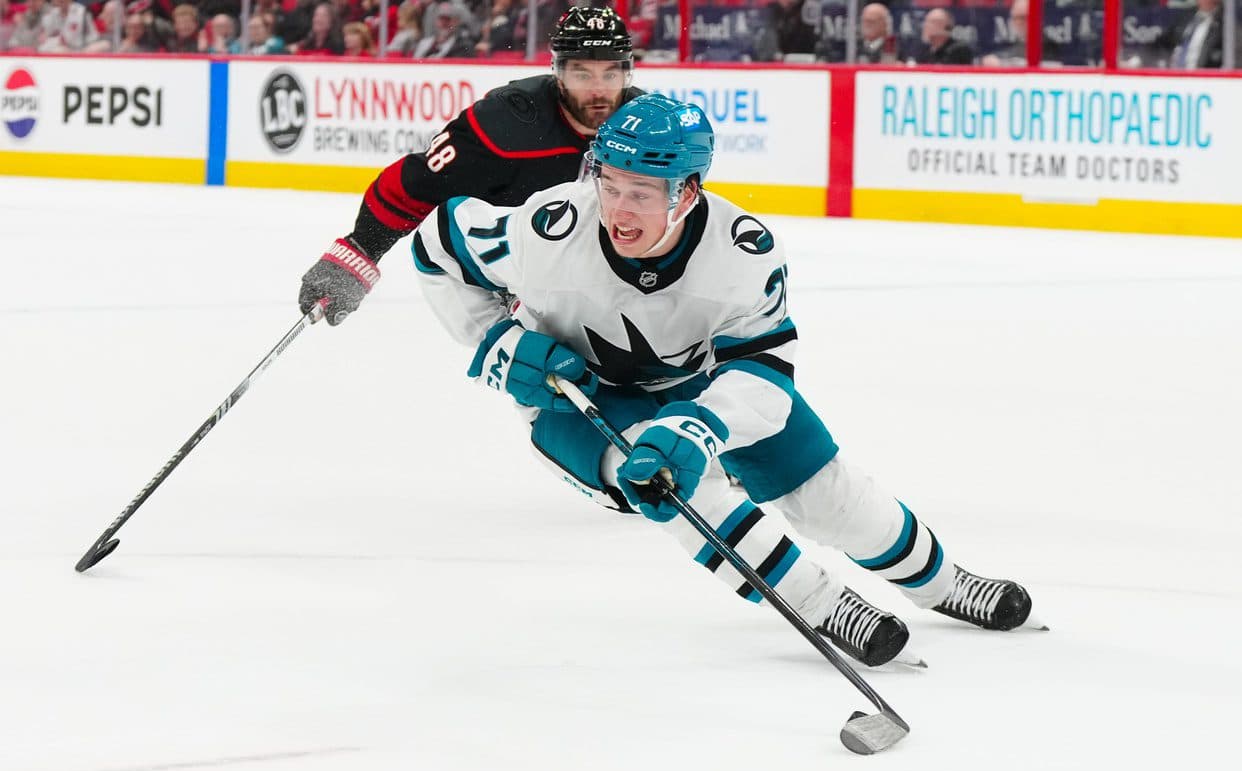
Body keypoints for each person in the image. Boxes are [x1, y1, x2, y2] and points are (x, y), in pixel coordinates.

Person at [399, 94, 1039, 668]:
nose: (618, 210)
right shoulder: (549, 229)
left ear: (688, 190)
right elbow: (437, 245)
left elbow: (762, 374)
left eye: (642, 194)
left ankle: (946, 583)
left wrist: (701, 424)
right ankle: (823, 604)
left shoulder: (742, 254)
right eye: (610, 184)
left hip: (703, 385)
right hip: (576, 399)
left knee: (827, 495)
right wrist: (495, 341)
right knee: (666, 478)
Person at [296, 6, 641, 326]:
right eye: (583, 75)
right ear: (559, 73)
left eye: (611, 76)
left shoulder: (647, 124)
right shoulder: (507, 124)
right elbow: (415, 184)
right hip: (515, 274)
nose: (599, 91)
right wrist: (360, 250)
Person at [909, 7, 973, 65]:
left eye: (931, 22)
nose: (925, 26)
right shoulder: (925, 51)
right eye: (925, 22)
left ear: (945, 26)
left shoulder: (959, 50)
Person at [411, 1, 476, 58]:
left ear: (456, 22)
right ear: (436, 21)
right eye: (441, 19)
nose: (444, 23)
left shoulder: (463, 46)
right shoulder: (425, 43)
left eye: (448, 19)